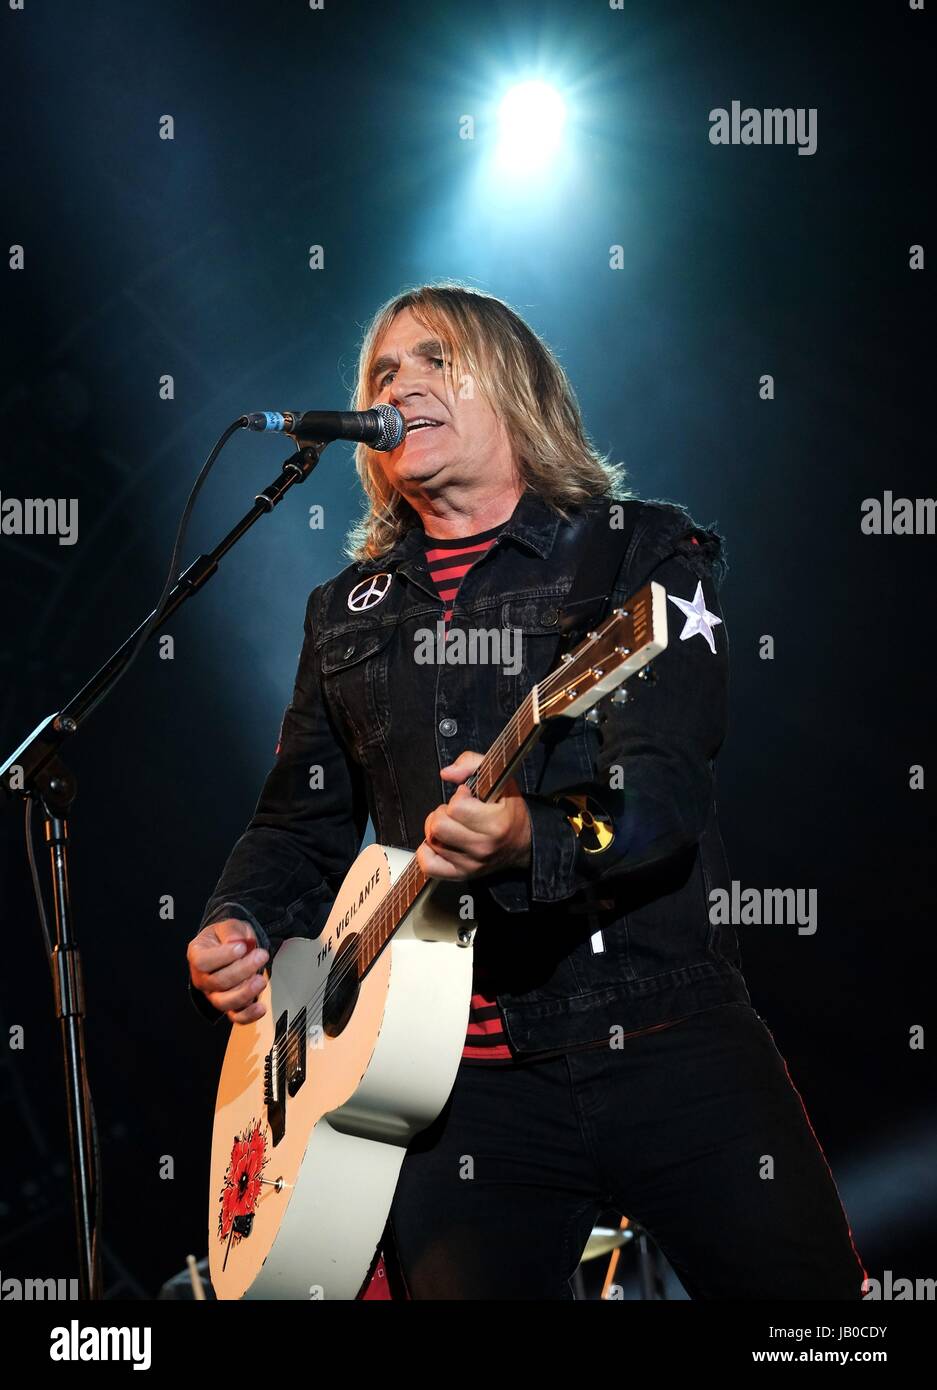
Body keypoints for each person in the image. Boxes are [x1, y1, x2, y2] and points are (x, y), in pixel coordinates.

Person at [187, 283, 865, 1300]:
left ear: (517, 389)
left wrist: (526, 835)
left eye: (435, 361)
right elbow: (298, 820)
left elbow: (661, 797)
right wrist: (238, 922)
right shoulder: (345, 612)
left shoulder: (639, 551)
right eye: (381, 373)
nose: (399, 384)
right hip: (454, 1096)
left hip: (663, 1036)